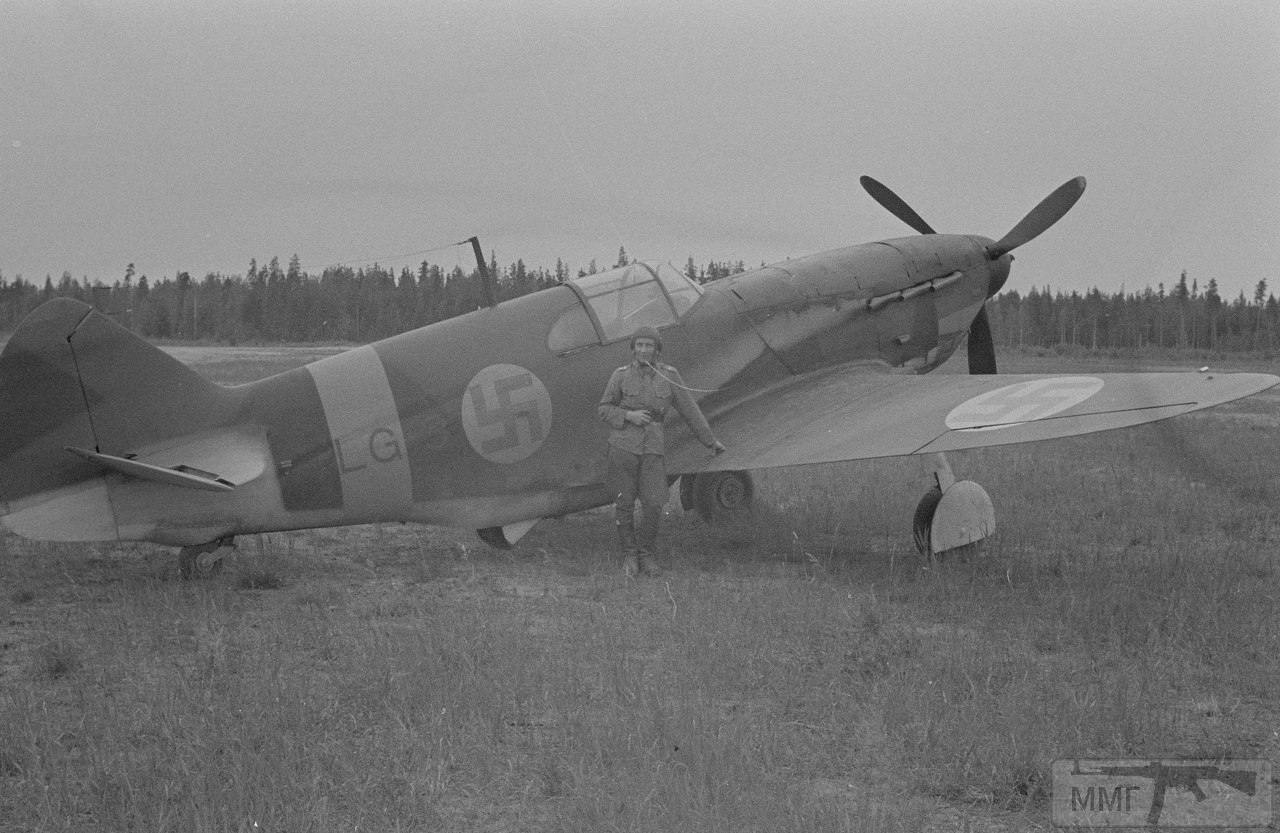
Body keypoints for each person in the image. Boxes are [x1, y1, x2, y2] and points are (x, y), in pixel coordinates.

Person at [598, 326, 725, 576]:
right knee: (624, 503)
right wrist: (628, 415)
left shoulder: (669, 375)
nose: (644, 350)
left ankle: (646, 554)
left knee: (654, 503)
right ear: (633, 349)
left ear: (657, 349)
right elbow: (604, 408)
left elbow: (690, 410)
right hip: (623, 446)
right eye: (639, 345)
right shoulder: (620, 376)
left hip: (653, 448)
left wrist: (710, 442)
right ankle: (630, 556)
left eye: (649, 345)